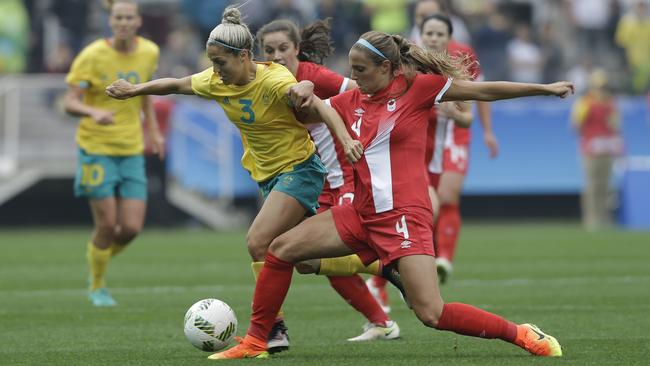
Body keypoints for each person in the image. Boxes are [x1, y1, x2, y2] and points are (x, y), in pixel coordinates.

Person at [207, 30, 572, 360]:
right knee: (280, 250)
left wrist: (544, 88)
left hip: (403, 218)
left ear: (386, 67)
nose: (356, 77)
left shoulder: (419, 89)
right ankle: (258, 341)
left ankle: (523, 334)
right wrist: (302, 92)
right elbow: (313, 111)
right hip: (360, 214)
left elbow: (483, 91)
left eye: (361, 69)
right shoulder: (352, 100)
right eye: (352, 69)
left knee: (432, 313)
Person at [105, 7, 368, 353]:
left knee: (259, 242)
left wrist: (346, 139)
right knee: (303, 260)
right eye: (212, 62)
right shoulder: (216, 81)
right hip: (269, 177)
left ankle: (271, 332)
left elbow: (322, 108)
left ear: (244, 56)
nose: (215, 70)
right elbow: (176, 84)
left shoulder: (274, 81)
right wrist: (135, 89)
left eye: (221, 62)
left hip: (300, 170)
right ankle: (380, 261)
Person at [257, 18, 399, 341]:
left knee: (311, 253)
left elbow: (360, 92)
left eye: (283, 48)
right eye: (268, 50)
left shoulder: (313, 76)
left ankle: (390, 273)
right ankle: (381, 315)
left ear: (296, 49)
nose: (277, 55)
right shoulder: (266, 80)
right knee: (307, 260)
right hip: (315, 184)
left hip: (342, 180)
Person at [63, 0, 163, 307]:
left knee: (131, 228)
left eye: (128, 17)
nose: (123, 22)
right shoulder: (92, 55)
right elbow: (69, 102)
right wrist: (93, 112)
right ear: (111, 21)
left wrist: (154, 130)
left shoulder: (149, 52)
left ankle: (99, 258)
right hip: (96, 149)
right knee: (106, 225)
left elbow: (144, 93)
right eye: (118, 17)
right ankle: (97, 283)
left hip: (131, 149)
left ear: (138, 21)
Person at [570, 68, 623, 231]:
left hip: (606, 149)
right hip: (591, 149)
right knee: (592, 185)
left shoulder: (610, 104)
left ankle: (604, 218)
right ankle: (591, 219)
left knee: (605, 186)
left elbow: (616, 126)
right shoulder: (585, 103)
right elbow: (575, 125)